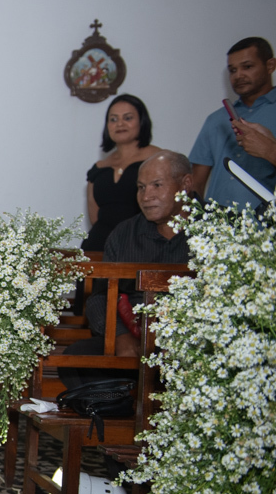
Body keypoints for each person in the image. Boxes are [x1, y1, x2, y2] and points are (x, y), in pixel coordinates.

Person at [59, 151, 194, 389]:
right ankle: (117, 411)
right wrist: (120, 336)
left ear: (185, 184)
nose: (147, 196)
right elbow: (99, 298)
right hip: (132, 337)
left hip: (192, 344)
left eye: (157, 185)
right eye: (141, 187)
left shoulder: (219, 228)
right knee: (76, 358)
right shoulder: (124, 234)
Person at [190, 37, 276, 208]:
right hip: (215, 227)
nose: (238, 75)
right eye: (232, 70)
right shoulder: (216, 119)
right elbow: (195, 183)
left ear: (270, 66)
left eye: (247, 67)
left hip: (264, 229)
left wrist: (268, 150)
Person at [83, 95, 162, 252]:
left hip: (144, 249)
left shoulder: (160, 160)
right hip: (99, 248)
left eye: (128, 118)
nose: (120, 124)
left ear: (142, 121)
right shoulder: (99, 167)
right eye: (113, 119)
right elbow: (95, 217)